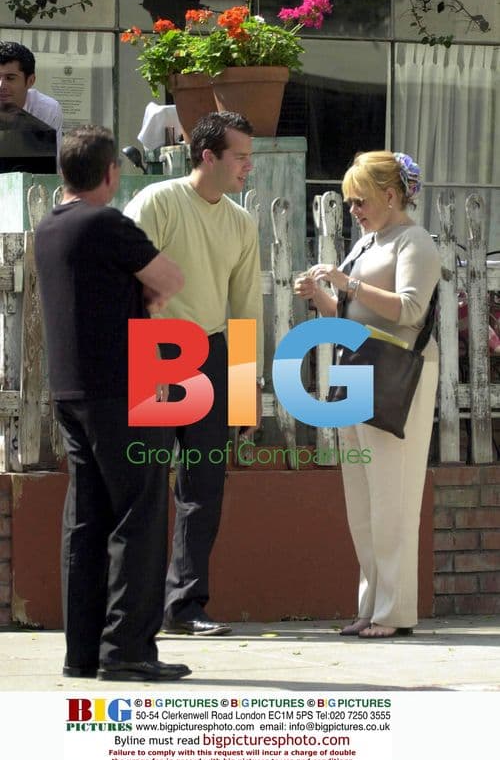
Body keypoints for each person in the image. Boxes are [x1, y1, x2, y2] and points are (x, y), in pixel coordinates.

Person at [34, 125, 191, 681]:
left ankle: (83, 653)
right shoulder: (107, 222)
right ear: (110, 173)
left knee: (86, 518)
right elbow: (169, 276)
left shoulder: (48, 227)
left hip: (71, 389)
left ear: (62, 173)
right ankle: (126, 650)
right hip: (126, 387)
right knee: (140, 514)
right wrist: (143, 292)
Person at [124, 112, 264, 637]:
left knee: (203, 485)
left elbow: (246, 306)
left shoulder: (242, 222)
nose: (248, 166)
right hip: (158, 346)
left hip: (211, 351)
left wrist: (248, 388)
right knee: (145, 481)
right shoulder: (158, 202)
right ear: (208, 156)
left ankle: (185, 607)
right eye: (241, 156)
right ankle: (135, 607)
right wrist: (150, 356)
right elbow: (132, 278)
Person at [295, 150, 440, 639]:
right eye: (350, 201)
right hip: (358, 367)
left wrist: (348, 281)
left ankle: (394, 611)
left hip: (397, 372)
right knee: (361, 495)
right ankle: (370, 604)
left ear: (391, 195)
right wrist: (320, 293)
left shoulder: (414, 241)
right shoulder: (366, 243)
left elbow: (411, 311)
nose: (353, 209)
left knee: (393, 493)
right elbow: (348, 314)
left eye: (360, 200)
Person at [0, 40, 63, 152]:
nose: (1, 86)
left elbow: (49, 164)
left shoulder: (46, 109)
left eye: (10, 78)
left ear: (30, 81)